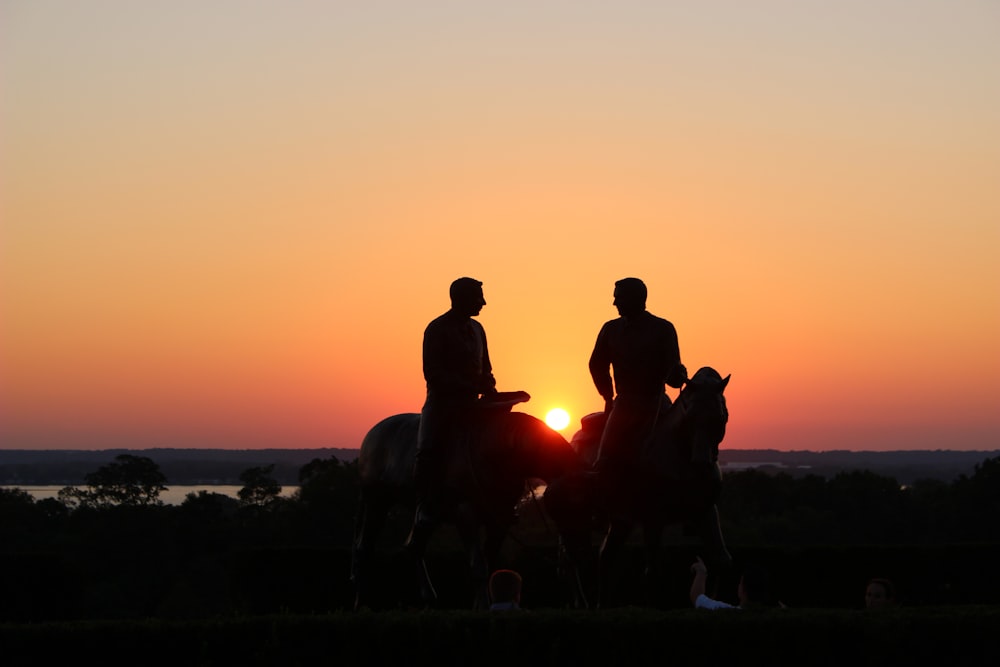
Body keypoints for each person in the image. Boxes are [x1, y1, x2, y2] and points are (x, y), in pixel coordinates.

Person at [408, 277, 498, 546]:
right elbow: (433, 373)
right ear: (460, 298)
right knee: (428, 450)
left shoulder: (478, 329)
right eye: (478, 297)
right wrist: (469, 385)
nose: (483, 302)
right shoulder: (437, 329)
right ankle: (425, 504)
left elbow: (487, 368)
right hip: (443, 405)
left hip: (474, 403)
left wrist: (490, 387)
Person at [588, 277, 687, 489]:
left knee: (684, 444)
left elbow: (672, 375)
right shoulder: (610, 330)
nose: (614, 303)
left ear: (636, 299)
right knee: (605, 458)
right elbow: (596, 364)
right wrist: (607, 396)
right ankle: (604, 494)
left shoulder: (663, 328)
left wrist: (678, 374)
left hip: (656, 402)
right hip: (624, 405)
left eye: (619, 298)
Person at [689, 556, 771, 610]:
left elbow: (697, 597)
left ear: (743, 591)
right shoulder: (774, 618)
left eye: (740, 583)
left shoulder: (724, 612)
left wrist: (701, 572)